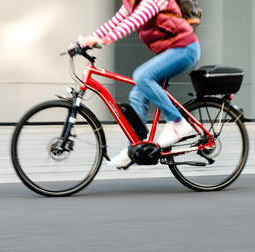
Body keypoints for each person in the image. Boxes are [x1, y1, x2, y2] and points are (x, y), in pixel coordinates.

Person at [72, 0, 201, 169]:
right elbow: (114, 23)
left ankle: (178, 122)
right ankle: (134, 149)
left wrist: (102, 41)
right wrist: (82, 43)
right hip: (171, 51)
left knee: (142, 76)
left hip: (185, 49)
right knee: (137, 94)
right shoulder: (130, 4)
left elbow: (132, 23)